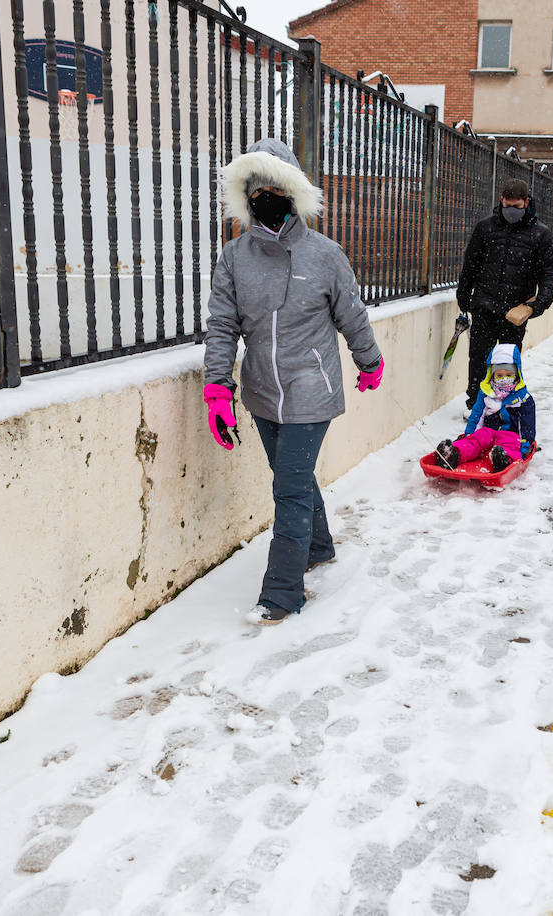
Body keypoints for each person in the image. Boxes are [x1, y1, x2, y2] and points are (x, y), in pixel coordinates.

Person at [203, 137, 383, 626]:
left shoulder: (325, 255)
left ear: (294, 192)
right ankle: (319, 547)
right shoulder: (235, 257)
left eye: (275, 187)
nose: (266, 196)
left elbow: (352, 316)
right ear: (246, 194)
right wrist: (218, 387)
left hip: (311, 391)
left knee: (289, 490)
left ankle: (282, 593)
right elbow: (222, 325)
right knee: (294, 480)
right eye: (256, 188)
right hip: (262, 392)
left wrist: (369, 361)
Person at [456, 178, 553, 414]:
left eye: (517, 206)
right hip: (484, 304)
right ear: (501, 201)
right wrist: (464, 294)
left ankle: (504, 405)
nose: (512, 211)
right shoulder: (486, 228)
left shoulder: (540, 234)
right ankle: (476, 403)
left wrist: (538, 304)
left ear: (526, 203)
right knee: (479, 357)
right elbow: (471, 264)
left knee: (507, 361)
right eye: (508, 205)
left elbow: (548, 273)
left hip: (515, 312)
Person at [434, 344, 536, 473]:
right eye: (499, 375)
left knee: (510, 445)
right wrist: (469, 435)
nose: (504, 379)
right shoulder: (486, 394)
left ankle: (503, 460)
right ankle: (452, 455)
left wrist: (525, 446)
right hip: (488, 431)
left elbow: (527, 426)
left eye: (509, 374)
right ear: (492, 375)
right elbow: (477, 417)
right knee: (475, 440)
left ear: (517, 374)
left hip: (511, 434)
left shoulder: (523, 399)